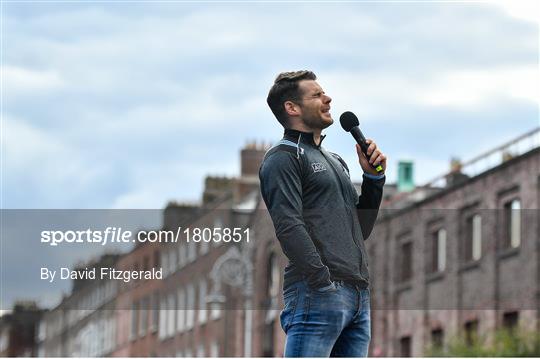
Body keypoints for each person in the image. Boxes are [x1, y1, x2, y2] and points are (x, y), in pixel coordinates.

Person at [258, 70, 387, 357]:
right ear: (292, 108)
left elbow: (359, 230)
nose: (328, 99)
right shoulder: (283, 157)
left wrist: (373, 180)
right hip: (317, 293)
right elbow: (288, 225)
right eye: (316, 95)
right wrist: (322, 281)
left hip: (357, 297)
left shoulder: (336, 161)